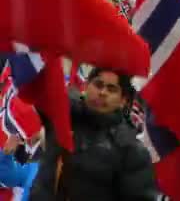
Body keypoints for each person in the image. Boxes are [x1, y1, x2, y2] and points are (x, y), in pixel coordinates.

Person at [29, 67, 158, 200]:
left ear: (123, 100)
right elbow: (31, 85)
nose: (102, 92)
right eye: (98, 84)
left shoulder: (131, 150)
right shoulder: (61, 115)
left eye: (111, 89)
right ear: (86, 85)